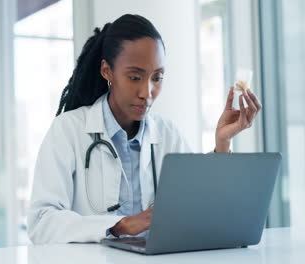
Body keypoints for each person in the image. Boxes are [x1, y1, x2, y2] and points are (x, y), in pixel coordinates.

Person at [27, 14, 261, 244]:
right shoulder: (68, 130)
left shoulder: (167, 134)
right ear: (107, 71)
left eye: (157, 78)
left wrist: (222, 143)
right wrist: (120, 225)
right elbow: (41, 223)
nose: (147, 92)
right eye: (135, 77)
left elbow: (198, 205)